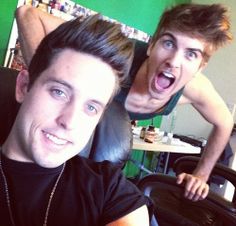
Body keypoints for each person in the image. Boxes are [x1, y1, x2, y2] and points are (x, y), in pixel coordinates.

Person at [15, 3, 234, 202]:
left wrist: (201, 175)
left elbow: (225, 122)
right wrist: (44, 79)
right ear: (151, 45)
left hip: (93, 161)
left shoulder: (196, 89)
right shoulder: (118, 55)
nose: (173, 61)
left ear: (200, 67)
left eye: (191, 54)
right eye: (168, 43)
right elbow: (28, 13)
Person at [0, 15, 150, 226]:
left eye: (91, 107)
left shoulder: (110, 189)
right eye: (59, 92)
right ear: (24, 86)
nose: (69, 121)